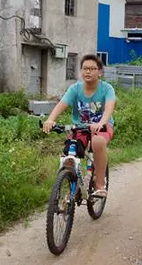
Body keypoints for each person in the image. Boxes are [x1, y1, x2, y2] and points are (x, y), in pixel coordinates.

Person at [42, 54, 115, 198]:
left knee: (97, 142)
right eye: (85, 68)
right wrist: (50, 119)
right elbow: (61, 104)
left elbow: (109, 107)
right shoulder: (75, 89)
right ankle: (72, 184)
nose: (88, 72)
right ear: (81, 71)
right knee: (69, 154)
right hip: (80, 127)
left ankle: (100, 183)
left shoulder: (106, 88)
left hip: (102, 127)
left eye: (92, 69)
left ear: (99, 72)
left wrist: (101, 122)